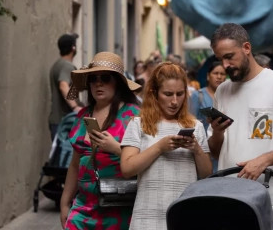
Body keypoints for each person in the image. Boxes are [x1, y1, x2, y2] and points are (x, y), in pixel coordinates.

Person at [208, 23, 273, 230]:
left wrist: (263, 160)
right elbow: (216, 150)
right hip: (228, 196)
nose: (225, 65)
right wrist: (217, 133)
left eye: (229, 57)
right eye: (220, 59)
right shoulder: (222, 91)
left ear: (246, 48)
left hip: (270, 198)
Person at [120, 62, 212, 230]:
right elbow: (127, 169)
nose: (174, 101)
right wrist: (159, 148)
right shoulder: (138, 124)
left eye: (180, 94)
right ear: (155, 94)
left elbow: (206, 174)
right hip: (147, 216)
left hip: (184, 215)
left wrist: (196, 149)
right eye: (168, 94)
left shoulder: (195, 126)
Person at [59, 52, 142, 229]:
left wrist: (116, 149)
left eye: (105, 78)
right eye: (93, 79)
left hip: (120, 207)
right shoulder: (82, 115)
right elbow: (75, 164)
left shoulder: (134, 115)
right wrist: (65, 203)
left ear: (117, 83)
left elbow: (145, 160)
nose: (98, 83)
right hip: (83, 207)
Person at [50, 33, 81, 140]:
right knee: (66, 155)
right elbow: (63, 85)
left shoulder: (57, 64)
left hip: (57, 121)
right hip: (65, 121)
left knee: (60, 155)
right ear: (73, 48)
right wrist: (75, 107)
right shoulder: (67, 66)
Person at [189, 61, 227, 134]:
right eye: (215, 73)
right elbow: (190, 121)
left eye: (222, 74)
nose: (219, 77)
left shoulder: (228, 97)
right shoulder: (198, 95)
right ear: (208, 76)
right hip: (203, 142)